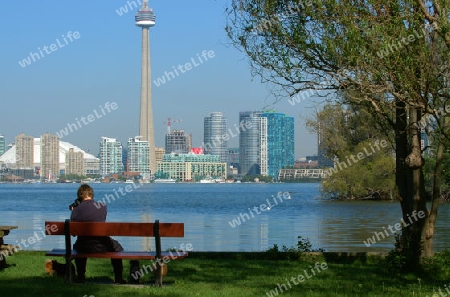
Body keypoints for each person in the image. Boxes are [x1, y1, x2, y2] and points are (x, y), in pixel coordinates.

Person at [70, 184, 126, 284]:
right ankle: (118, 278)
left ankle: (81, 276)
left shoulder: (76, 210)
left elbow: (73, 234)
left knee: (78, 246)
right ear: (92, 195)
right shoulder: (102, 206)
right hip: (102, 245)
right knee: (117, 248)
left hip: (83, 246)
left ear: (79, 196)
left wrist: (75, 212)